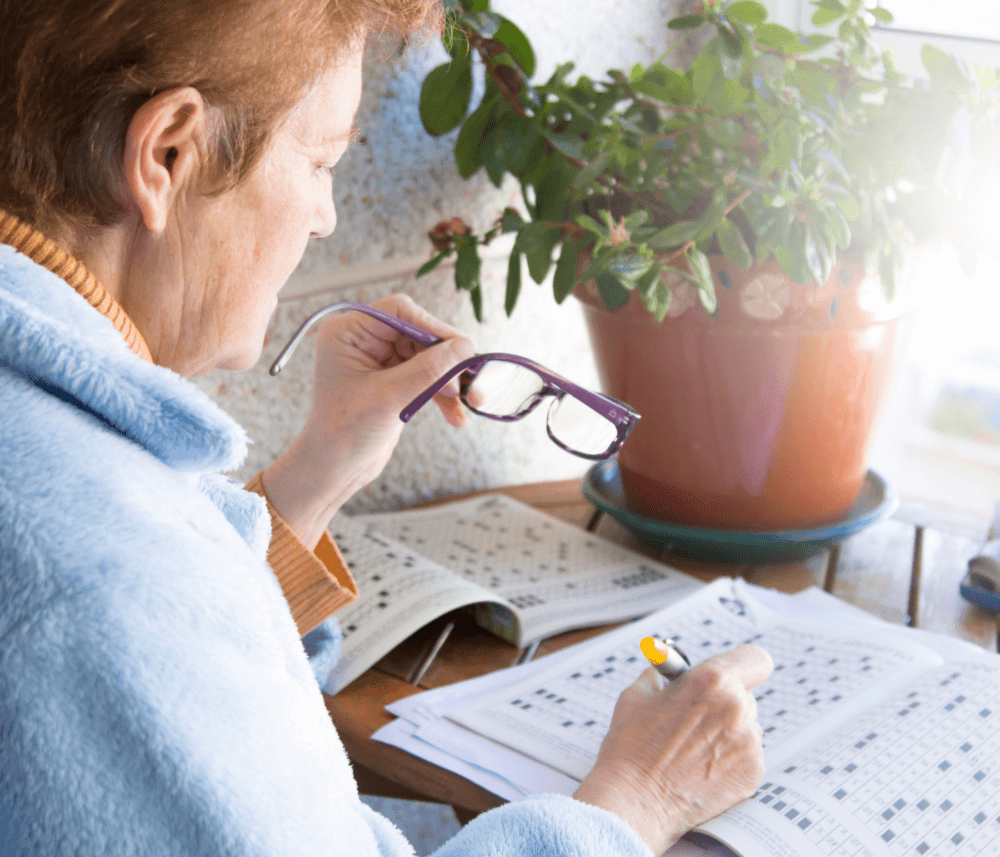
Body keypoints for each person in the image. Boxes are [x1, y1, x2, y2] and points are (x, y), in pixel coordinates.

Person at [0, 1, 773, 855]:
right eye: (323, 160)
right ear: (168, 153)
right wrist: (636, 799)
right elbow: (134, 614)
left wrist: (321, 469)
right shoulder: (109, 587)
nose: (325, 215)